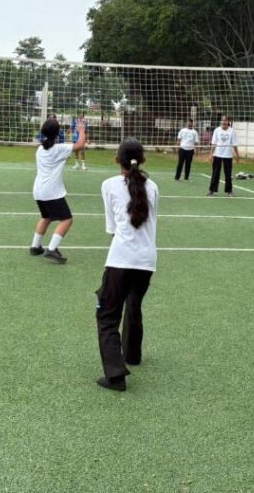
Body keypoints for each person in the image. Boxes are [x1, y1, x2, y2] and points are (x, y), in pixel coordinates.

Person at [95, 138, 159, 392]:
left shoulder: (109, 185)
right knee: (134, 303)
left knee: (107, 315)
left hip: (121, 258)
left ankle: (115, 376)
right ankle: (132, 354)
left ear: (116, 160)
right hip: (147, 260)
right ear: (142, 159)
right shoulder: (152, 186)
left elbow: (112, 228)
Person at [30, 118, 87, 264]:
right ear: (58, 133)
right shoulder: (59, 148)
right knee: (67, 219)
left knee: (46, 217)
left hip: (38, 190)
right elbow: (80, 145)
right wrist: (81, 130)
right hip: (51, 192)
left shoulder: (40, 149)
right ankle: (52, 249)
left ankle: (35, 246)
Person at [207, 116, 241, 197]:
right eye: (222, 120)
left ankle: (229, 191)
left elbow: (234, 144)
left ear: (228, 122)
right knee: (215, 173)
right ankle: (212, 190)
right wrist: (211, 154)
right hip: (217, 154)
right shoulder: (217, 130)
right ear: (221, 122)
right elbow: (214, 143)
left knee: (228, 174)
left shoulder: (232, 131)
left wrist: (237, 155)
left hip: (228, 155)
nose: (224, 122)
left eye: (225, 120)